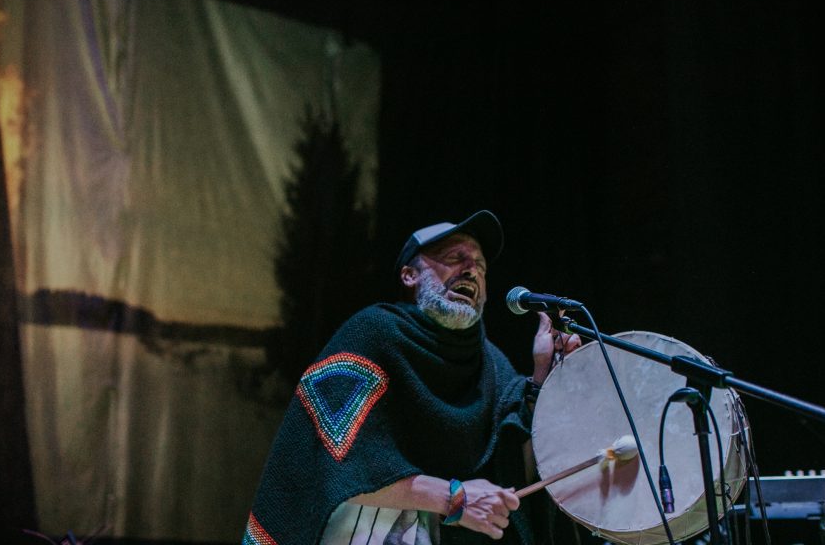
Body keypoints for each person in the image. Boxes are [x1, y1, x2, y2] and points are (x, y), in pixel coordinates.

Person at [244, 210, 581, 544]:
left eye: (480, 266)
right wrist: (454, 497)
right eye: (455, 257)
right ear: (409, 275)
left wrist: (545, 377)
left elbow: (513, 464)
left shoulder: (491, 365)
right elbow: (337, 461)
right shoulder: (374, 333)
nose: (471, 270)